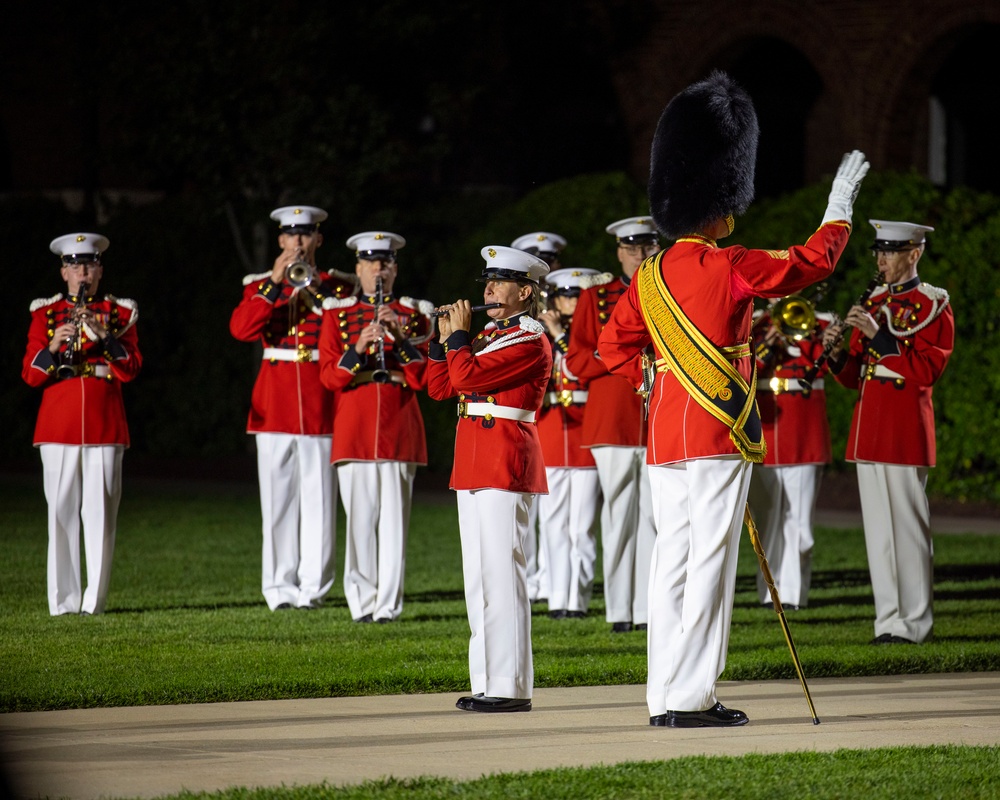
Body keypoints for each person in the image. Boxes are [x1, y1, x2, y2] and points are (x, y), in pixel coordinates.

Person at [597, 70, 869, 727]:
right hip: (718, 433)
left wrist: (655, 378)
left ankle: (663, 693)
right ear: (719, 201)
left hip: (665, 433)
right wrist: (839, 209)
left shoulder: (650, 276)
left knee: (670, 566)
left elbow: (610, 350)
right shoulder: (729, 262)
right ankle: (694, 697)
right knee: (712, 562)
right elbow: (812, 264)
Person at [427, 245, 551, 713]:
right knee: (478, 579)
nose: (489, 290)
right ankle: (488, 679)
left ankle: (511, 685)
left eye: (500, 283)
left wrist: (458, 339)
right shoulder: (490, 337)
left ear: (525, 291)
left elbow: (466, 378)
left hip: (505, 460)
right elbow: (440, 386)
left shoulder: (529, 340)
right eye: (487, 282)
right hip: (476, 461)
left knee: (503, 575)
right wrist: (442, 341)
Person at [826, 219, 954, 645]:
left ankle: (915, 624)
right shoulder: (875, 302)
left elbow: (927, 370)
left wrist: (877, 336)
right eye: (878, 252)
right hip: (870, 427)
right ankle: (888, 621)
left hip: (903, 428)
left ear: (914, 254)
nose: (881, 260)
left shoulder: (933, 304)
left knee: (908, 528)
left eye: (890, 252)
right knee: (879, 532)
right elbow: (857, 378)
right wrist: (836, 354)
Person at [229, 205, 356, 611]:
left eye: (306, 235)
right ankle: (279, 588)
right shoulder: (260, 285)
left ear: (318, 240)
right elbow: (242, 329)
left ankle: (313, 589)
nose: (298, 242)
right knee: (278, 502)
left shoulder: (339, 286)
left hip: (319, 401)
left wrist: (314, 288)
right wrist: (275, 283)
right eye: (291, 236)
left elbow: (343, 331)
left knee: (319, 500)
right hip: (275, 402)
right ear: (281, 241)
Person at [22, 232, 141, 616]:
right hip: (59, 423)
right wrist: (54, 346)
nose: (82, 272)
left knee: (101, 514)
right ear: (64, 272)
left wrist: (103, 334)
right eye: (75, 266)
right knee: (59, 512)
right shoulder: (45, 314)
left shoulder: (120, 313)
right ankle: (63, 601)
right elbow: (30, 375)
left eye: (89, 265)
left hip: (105, 422)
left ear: (100, 271)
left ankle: (95, 601)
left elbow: (132, 368)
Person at [318, 231, 433, 623]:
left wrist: (399, 337)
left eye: (385, 263)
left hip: (399, 422)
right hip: (355, 423)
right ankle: (361, 603)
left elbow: (424, 379)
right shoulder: (336, 314)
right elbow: (329, 378)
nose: (378, 270)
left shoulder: (415, 313)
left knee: (395, 523)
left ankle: (388, 606)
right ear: (358, 269)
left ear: (395, 269)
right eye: (370, 263)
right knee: (360, 521)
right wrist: (359, 347)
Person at [564, 217, 658, 633]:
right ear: (619, 251)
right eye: (632, 248)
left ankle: (649, 609)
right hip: (613, 419)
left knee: (657, 519)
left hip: (658, 416)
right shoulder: (595, 297)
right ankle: (621, 610)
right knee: (619, 516)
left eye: (647, 246)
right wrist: (615, 352)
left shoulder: (669, 290)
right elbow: (577, 361)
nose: (640, 254)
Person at [747, 297, 836, 610]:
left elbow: (827, 368)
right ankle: (767, 592)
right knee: (766, 519)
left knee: (799, 522)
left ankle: (793, 595)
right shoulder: (753, 324)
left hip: (803, 430)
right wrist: (765, 343)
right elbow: (745, 370)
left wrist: (815, 337)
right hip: (765, 429)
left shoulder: (820, 323)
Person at [536, 266, 602, 619]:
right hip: (550, 432)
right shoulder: (542, 334)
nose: (569, 304)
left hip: (584, 435)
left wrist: (562, 335)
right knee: (553, 523)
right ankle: (558, 598)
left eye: (576, 297)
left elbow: (582, 370)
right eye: (563, 297)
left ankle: (577, 599)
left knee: (581, 527)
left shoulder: (592, 335)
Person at [511, 231, 568, 604]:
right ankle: (527, 580)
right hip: (529, 413)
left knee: (557, 509)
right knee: (524, 503)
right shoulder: (520, 318)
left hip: (560, 414)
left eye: (549, 264)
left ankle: (551, 581)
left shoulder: (569, 307)